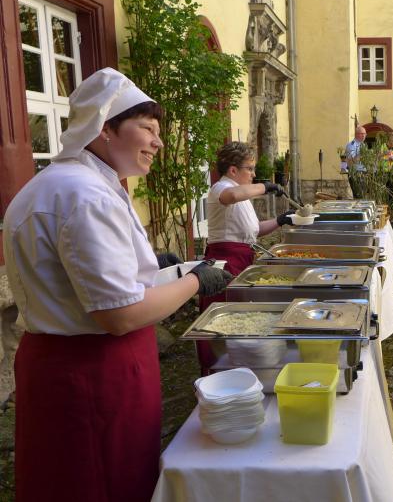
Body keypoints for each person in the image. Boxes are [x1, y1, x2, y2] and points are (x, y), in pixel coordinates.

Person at [3, 68, 231, 502]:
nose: (158, 142)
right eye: (147, 128)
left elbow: (79, 280)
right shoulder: (86, 194)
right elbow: (119, 314)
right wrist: (194, 282)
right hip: (92, 371)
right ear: (104, 128)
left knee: (64, 480)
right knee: (103, 481)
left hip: (61, 363)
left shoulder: (65, 182)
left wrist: (156, 268)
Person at [198, 141, 296, 371]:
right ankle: (217, 369)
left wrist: (281, 220)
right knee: (220, 319)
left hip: (241, 260)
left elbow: (254, 231)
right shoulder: (221, 188)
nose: (253, 174)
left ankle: (242, 364)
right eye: (250, 169)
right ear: (233, 170)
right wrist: (266, 187)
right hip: (223, 263)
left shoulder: (241, 194)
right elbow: (232, 195)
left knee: (239, 317)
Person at [345, 125, 367, 198]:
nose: (364, 135)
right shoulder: (352, 145)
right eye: (362, 134)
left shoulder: (363, 145)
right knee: (358, 195)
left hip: (363, 173)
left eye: (365, 134)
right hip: (355, 173)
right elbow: (351, 160)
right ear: (356, 134)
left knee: (362, 195)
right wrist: (362, 154)